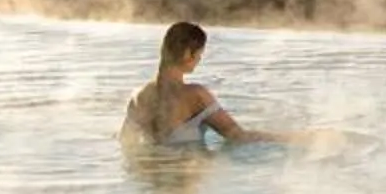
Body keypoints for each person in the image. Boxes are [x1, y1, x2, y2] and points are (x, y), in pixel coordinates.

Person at [119, 20, 283, 149]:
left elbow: (125, 142)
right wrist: (294, 138)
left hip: (148, 181)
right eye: (199, 54)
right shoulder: (195, 95)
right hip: (183, 177)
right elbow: (238, 136)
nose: (199, 59)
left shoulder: (138, 97)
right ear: (188, 54)